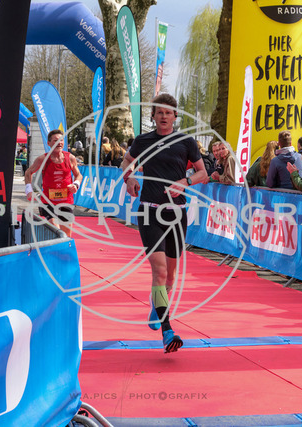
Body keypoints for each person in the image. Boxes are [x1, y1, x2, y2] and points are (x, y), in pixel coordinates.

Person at [121, 93, 207, 353]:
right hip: (150, 211)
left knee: (169, 276)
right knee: (158, 271)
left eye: (168, 112)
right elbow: (126, 161)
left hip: (176, 213)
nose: (164, 116)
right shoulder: (143, 141)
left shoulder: (186, 142)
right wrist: (129, 178)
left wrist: (186, 181)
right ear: (153, 115)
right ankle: (167, 330)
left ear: (175, 116)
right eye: (159, 112)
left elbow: (202, 172)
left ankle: (157, 303)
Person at [24, 129, 82, 237]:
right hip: (48, 202)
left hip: (66, 201)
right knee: (56, 231)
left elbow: (79, 175)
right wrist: (29, 190)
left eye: (61, 140)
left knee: (66, 235)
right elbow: (28, 172)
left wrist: (76, 184)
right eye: (55, 140)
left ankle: (62, 248)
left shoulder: (70, 158)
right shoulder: (42, 159)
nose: (59, 143)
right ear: (49, 143)